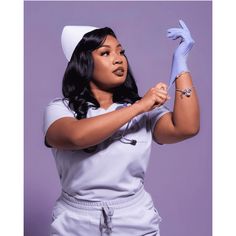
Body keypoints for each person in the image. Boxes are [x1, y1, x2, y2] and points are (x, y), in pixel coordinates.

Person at [43, 20, 200, 236]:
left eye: (121, 52)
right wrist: (140, 106)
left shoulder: (143, 111)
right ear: (83, 63)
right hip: (75, 222)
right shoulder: (60, 109)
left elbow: (186, 127)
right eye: (105, 53)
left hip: (134, 219)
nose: (119, 59)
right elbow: (76, 136)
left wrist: (180, 66)